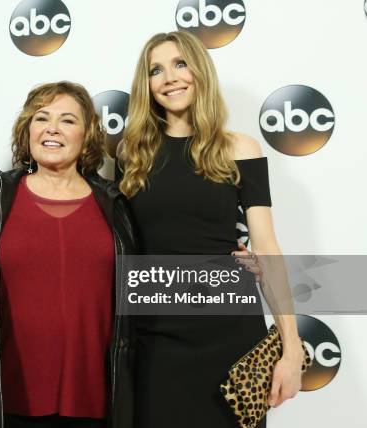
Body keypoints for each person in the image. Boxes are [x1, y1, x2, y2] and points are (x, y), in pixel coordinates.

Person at [116, 31, 305, 428]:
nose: (170, 77)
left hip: (230, 336)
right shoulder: (131, 155)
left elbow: (266, 244)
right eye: (156, 70)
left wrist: (291, 348)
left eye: (180, 64)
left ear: (200, 71)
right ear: (146, 85)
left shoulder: (240, 148)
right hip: (156, 339)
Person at [0, 81, 136, 428]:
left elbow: (144, 284)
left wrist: (233, 268)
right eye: (41, 118)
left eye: (67, 120)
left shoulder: (115, 204)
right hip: (9, 399)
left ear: (87, 134)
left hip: (97, 400)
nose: (52, 129)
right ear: (27, 129)